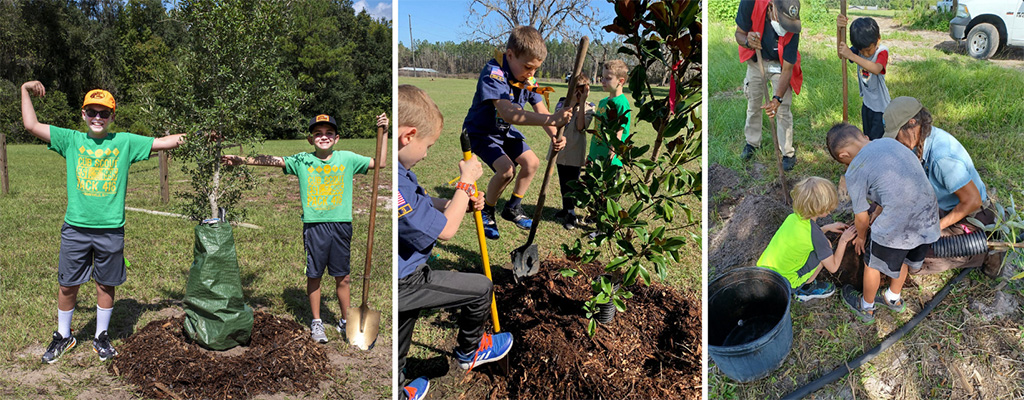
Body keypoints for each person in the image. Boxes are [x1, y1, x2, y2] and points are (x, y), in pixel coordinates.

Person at [20, 81, 187, 363]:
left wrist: (204, 134)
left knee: (106, 284)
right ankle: (64, 335)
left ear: (112, 117)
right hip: (76, 228)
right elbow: (31, 125)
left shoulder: (124, 142)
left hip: (111, 230)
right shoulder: (70, 139)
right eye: (92, 112)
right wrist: (24, 91)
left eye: (104, 113)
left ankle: (101, 336)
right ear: (83, 114)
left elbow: (165, 142)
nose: (98, 117)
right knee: (67, 285)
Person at [222, 113, 388, 344]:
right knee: (315, 274)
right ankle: (317, 321)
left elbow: (379, 163)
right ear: (311, 140)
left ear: (337, 138)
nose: (323, 137)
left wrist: (385, 132)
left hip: (341, 226)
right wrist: (241, 159)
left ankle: (345, 320)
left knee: (343, 276)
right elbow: (273, 160)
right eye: (318, 134)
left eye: (329, 133)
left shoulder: (347, 158)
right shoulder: (301, 160)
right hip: (315, 227)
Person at [398, 85, 514, 400]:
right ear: (408, 136)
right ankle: (470, 351)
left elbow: (424, 201)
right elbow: (447, 230)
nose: (426, 154)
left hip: (403, 272)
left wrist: (457, 200)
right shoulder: (395, 184)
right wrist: (465, 184)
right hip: (404, 280)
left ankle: (397, 389)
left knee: (402, 326)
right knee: (480, 289)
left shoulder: (399, 171)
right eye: (428, 145)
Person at [463, 25, 572, 239]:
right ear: (510, 55)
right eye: (528, 67)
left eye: (536, 70)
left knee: (532, 163)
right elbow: (509, 113)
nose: (531, 74)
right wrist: (552, 120)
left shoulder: (527, 79)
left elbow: (541, 109)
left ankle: (512, 208)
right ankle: (487, 211)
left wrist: (554, 135)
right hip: (481, 133)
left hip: (504, 132)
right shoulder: (493, 73)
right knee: (506, 170)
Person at [826, 123, 940, 323]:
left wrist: (861, 237)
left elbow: (861, 217)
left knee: (872, 264)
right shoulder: (889, 143)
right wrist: (878, 210)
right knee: (903, 258)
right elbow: (894, 183)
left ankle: (866, 307)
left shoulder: (855, 169)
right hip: (928, 217)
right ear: (862, 135)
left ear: (843, 155)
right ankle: (893, 298)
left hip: (899, 225)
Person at [883, 96, 1002, 277]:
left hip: (973, 217)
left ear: (912, 123)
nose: (896, 142)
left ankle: (986, 252)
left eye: (896, 134)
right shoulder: (921, 140)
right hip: (944, 205)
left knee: (916, 258)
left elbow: (972, 200)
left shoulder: (942, 158)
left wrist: (936, 228)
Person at [757, 177, 858, 301]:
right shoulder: (817, 237)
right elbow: (833, 267)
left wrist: (826, 227)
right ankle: (805, 289)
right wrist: (843, 240)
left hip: (764, 272)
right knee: (826, 247)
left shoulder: (792, 218)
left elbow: (805, 236)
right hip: (786, 283)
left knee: (820, 247)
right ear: (823, 209)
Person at [736, 0, 804, 171]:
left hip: (780, 65)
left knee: (783, 109)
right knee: (754, 104)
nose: (785, 26)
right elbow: (739, 34)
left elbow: (788, 69)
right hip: (756, 61)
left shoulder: (792, 23)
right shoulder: (750, 3)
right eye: (782, 20)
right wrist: (747, 41)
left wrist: (777, 99)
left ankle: (787, 152)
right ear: (772, 7)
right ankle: (752, 143)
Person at [838, 15, 891, 140]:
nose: (865, 54)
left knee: (877, 139)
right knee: (867, 136)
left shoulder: (882, 51)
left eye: (868, 50)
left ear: (878, 40)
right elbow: (842, 54)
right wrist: (839, 29)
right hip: (867, 104)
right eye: (861, 51)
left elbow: (877, 69)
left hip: (880, 108)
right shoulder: (859, 49)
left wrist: (853, 56)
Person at [552, 74, 595, 230]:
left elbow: (580, 126)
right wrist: (571, 102)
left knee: (572, 183)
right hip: (560, 151)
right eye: (574, 89)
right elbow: (557, 122)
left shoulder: (590, 107)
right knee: (563, 182)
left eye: (581, 90)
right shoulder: (562, 103)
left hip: (575, 151)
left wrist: (582, 102)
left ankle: (571, 213)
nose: (577, 93)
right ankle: (566, 209)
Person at [590, 60, 633, 168]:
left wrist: (611, 155)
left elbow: (619, 131)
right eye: (602, 77)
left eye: (608, 78)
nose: (603, 81)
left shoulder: (621, 103)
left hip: (610, 161)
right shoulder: (603, 102)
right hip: (596, 156)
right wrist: (591, 155)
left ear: (621, 81)